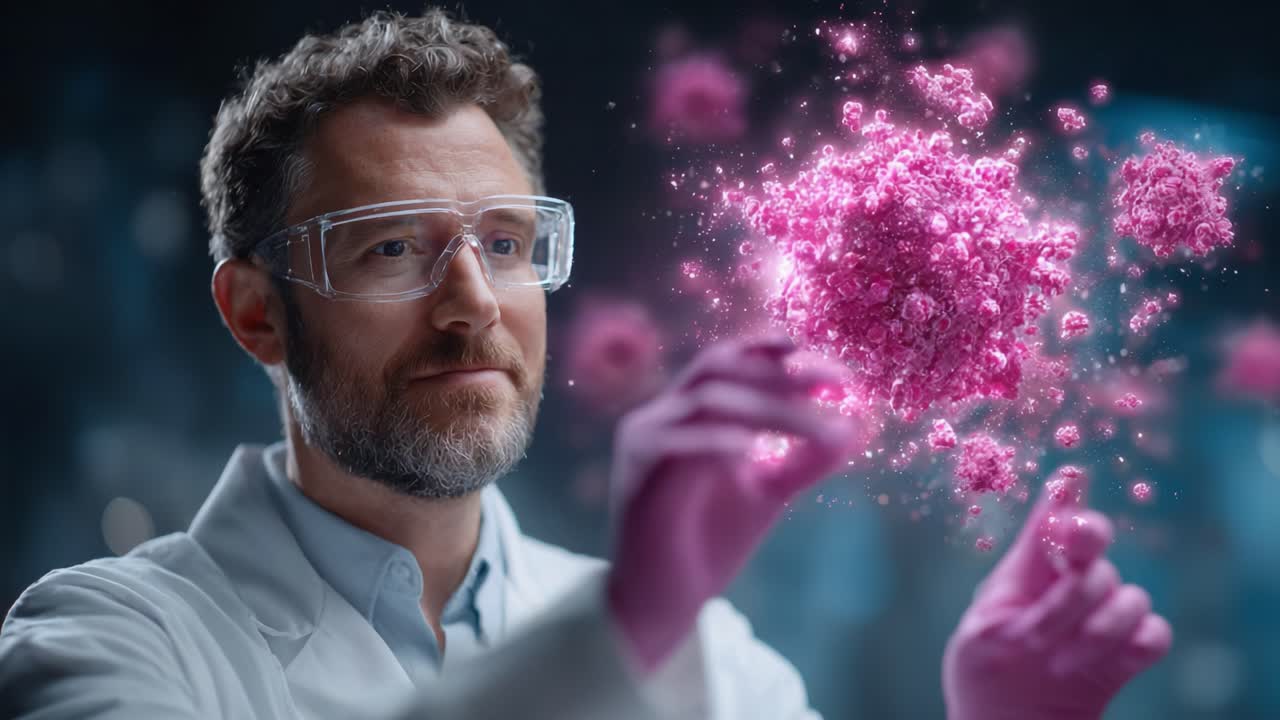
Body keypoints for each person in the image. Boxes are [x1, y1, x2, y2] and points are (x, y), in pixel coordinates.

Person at [0, 7, 1171, 718]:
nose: (472, 305)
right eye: (394, 247)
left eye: (505, 244)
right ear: (255, 313)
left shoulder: (710, 660)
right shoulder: (102, 644)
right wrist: (631, 617)